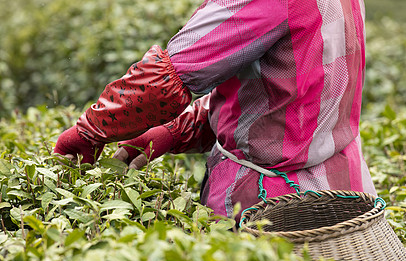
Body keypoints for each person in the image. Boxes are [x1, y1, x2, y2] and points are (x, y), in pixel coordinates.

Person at [54, 0, 377, 223]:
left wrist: (87, 131)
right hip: (345, 192)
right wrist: (173, 132)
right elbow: (283, 94)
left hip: (272, 210)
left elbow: (163, 79)